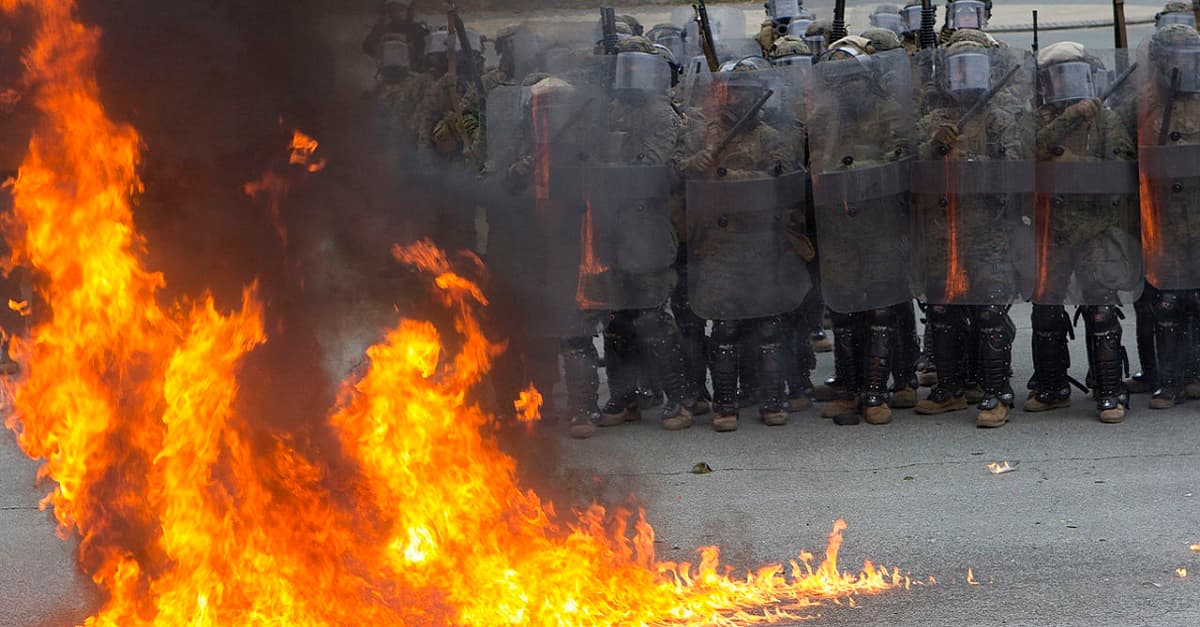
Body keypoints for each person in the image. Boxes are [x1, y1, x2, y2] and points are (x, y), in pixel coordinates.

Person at [573, 36, 699, 437]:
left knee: (650, 316)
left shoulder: (661, 113)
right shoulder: (610, 107)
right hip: (609, 222)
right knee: (616, 316)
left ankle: (677, 397)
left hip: (645, 223)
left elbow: (649, 166)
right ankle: (625, 395)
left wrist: (608, 167)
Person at [676, 62, 810, 431]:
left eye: (745, 91)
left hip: (760, 242)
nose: (739, 98)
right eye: (732, 91)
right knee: (724, 327)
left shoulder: (770, 136)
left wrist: (727, 176)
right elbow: (675, 169)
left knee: (768, 325)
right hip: (718, 245)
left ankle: (771, 400)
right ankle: (725, 405)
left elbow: (782, 179)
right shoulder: (706, 133)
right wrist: (695, 161)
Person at [912, 40, 1033, 427]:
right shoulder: (933, 121)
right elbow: (910, 168)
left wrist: (981, 164)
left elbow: (1018, 166)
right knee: (943, 311)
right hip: (944, 231)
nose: (965, 78)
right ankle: (950, 387)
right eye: (958, 69)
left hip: (989, 229)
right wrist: (934, 148)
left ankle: (996, 392)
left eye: (973, 68)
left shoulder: (1002, 118)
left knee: (990, 310)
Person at [1026, 42, 1139, 423]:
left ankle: (1109, 389)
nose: (1065, 83)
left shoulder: (1105, 120)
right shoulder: (1040, 118)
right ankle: (1052, 386)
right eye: (1057, 75)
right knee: (1045, 309)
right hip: (1052, 227)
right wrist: (1069, 118)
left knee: (1101, 307)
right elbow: (1030, 152)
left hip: (1094, 225)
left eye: (1073, 73)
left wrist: (1077, 163)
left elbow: (1122, 167)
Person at [808, 36, 916, 425]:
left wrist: (858, 170)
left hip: (880, 222)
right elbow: (815, 162)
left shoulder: (888, 111)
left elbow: (901, 157)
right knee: (845, 309)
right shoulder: (826, 117)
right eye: (842, 80)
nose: (849, 86)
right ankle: (851, 387)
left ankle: (876, 391)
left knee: (881, 307)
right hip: (839, 224)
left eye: (856, 78)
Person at [1138, 24, 1200, 409]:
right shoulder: (1145, 102)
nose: (1182, 65)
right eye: (1174, 58)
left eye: (1189, 57)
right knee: (1167, 300)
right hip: (1162, 217)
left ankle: (1195, 373)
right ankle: (1169, 378)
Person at [362, 0, 428, 72]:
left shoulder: (417, 27)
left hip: (413, 71)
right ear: (390, 12)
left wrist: (393, 36)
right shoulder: (385, 28)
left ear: (409, 11)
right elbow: (367, 46)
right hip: (387, 72)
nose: (398, 14)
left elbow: (420, 40)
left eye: (401, 10)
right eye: (394, 10)